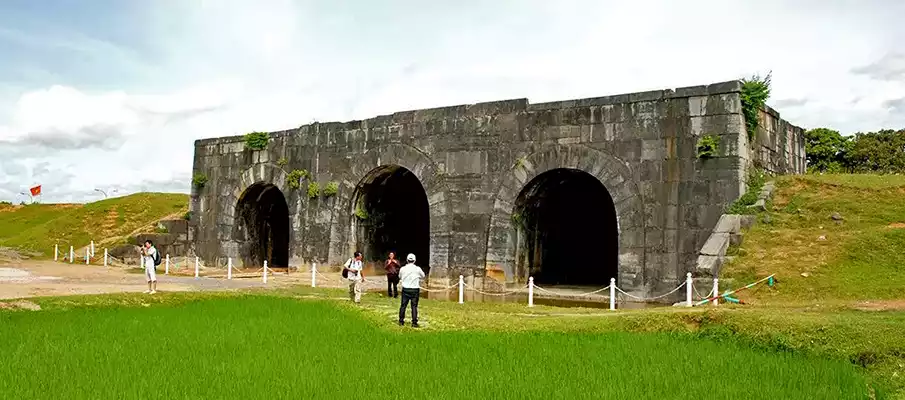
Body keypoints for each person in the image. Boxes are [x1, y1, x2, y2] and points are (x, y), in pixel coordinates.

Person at [398, 253, 425, 328]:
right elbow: (423, 275)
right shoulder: (417, 269)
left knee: (403, 306)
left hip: (405, 289)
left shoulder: (403, 269)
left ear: (407, 260)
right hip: (414, 289)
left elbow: (400, 276)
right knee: (414, 306)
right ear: (414, 260)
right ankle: (414, 322)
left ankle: (401, 321)